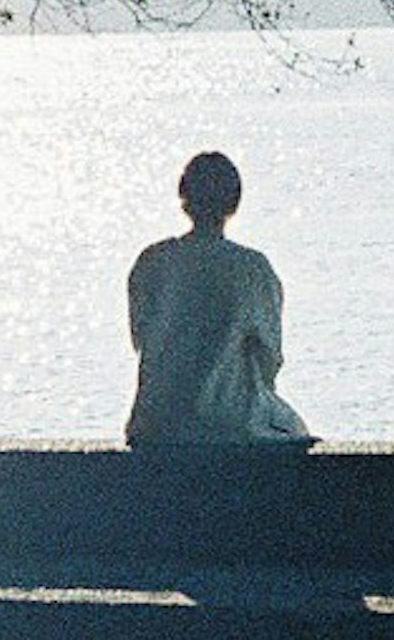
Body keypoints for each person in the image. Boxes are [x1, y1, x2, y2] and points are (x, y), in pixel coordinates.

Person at [124, 150, 312, 446]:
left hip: (153, 423)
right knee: (294, 429)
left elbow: (141, 340)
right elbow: (269, 356)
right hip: (226, 424)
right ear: (234, 203)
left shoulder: (152, 261)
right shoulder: (252, 269)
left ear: (183, 195)